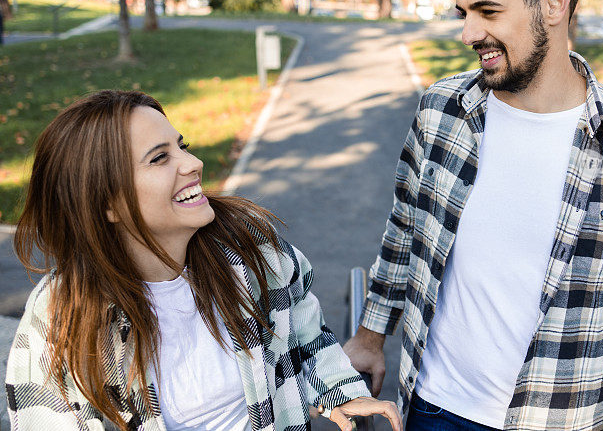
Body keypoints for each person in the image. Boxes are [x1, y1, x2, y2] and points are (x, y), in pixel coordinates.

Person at [343, 0, 603, 431]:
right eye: (464, 13)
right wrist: (371, 336)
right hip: (433, 406)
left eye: (488, 12)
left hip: (560, 418)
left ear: (554, 4)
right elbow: (404, 234)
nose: (468, 33)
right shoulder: (442, 111)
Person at [5, 90, 402, 431]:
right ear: (107, 202)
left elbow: (305, 338)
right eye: (160, 158)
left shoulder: (254, 257)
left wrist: (341, 391)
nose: (192, 163)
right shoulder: (63, 315)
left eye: (183, 146)